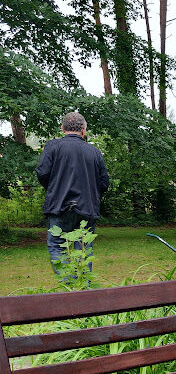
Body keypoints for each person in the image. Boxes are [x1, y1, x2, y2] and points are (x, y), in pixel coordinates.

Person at [36, 111, 109, 273]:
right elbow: (104, 183)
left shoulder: (52, 147)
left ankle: (68, 288)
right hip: (87, 209)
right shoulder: (95, 152)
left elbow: (42, 174)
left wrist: (56, 189)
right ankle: (81, 291)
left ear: (63, 129)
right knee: (83, 249)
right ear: (84, 130)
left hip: (59, 206)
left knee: (56, 246)